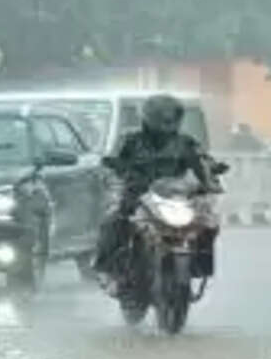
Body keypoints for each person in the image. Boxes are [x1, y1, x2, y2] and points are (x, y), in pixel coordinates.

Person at [93, 94, 220, 294]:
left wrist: (211, 179)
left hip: (174, 196)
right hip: (136, 194)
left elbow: (203, 162)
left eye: (171, 117)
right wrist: (117, 171)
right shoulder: (130, 140)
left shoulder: (186, 142)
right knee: (113, 220)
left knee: (208, 222)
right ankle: (106, 268)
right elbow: (111, 161)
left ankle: (199, 262)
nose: (166, 122)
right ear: (148, 117)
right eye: (161, 117)